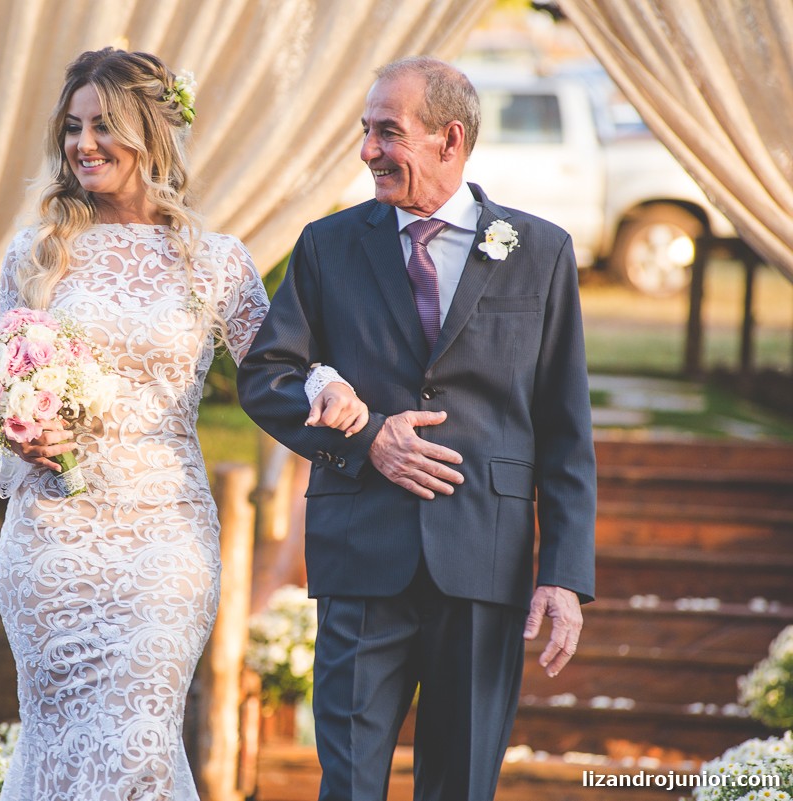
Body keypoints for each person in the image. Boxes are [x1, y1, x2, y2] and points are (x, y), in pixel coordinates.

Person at [0, 48, 366, 801]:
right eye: (73, 127)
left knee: (139, 740)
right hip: (52, 539)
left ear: (151, 133)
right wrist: (23, 438)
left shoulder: (214, 261)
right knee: (58, 741)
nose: (84, 144)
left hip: (164, 536)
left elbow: (278, 365)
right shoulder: (36, 253)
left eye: (104, 125)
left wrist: (329, 384)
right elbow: (3, 390)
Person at [237, 56, 597, 801]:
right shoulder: (327, 245)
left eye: (387, 132)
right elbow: (266, 375)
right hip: (360, 555)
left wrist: (563, 575)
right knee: (348, 785)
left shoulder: (542, 252)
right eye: (365, 130)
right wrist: (366, 436)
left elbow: (565, 431)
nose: (367, 149)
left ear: (450, 139)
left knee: (460, 786)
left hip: (484, 561)